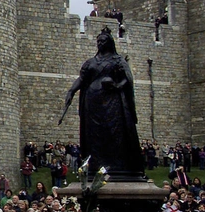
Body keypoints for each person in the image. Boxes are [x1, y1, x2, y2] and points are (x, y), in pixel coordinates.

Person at [62, 27, 144, 179]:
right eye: (98, 41)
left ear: (109, 43)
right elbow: (82, 79)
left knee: (114, 132)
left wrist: (118, 86)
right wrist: (71, 91)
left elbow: (128, 78)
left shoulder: (117, 60)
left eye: (103, 41)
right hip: (92, 103)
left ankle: (117, 164)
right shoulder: (91, 62)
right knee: (94, 135)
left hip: (112, 103)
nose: (100, 43)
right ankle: (96, 164)